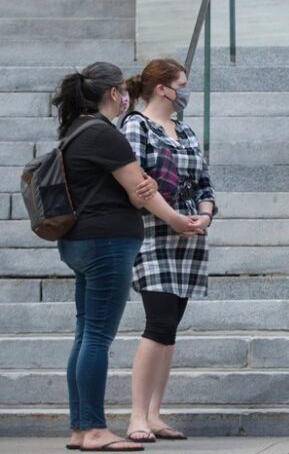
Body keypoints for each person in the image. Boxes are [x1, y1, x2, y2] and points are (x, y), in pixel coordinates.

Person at [50, 63, 202, 453]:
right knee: (97, 337)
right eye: (120, 92)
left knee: (85, 335)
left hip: (78, 241)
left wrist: (145, 187)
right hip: (107, 242)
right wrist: (171, 213)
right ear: (112, 94)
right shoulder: (106, 135)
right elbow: (140, 193)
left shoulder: (75, 131)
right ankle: (96, 429)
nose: (125, 98)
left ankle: (81, 429)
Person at [121, 59, 217, 444]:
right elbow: (138, 184)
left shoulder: (185, 130)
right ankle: (136, 416)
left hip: (188, 238)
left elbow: (204, 183)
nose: (186, 91)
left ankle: (155, 414)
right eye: (182, 84)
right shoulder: (135, 125)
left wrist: (203, 217)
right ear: (162, 88)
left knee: (170, 329)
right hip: (153, 236)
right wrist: (175, 217)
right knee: (158, 323)